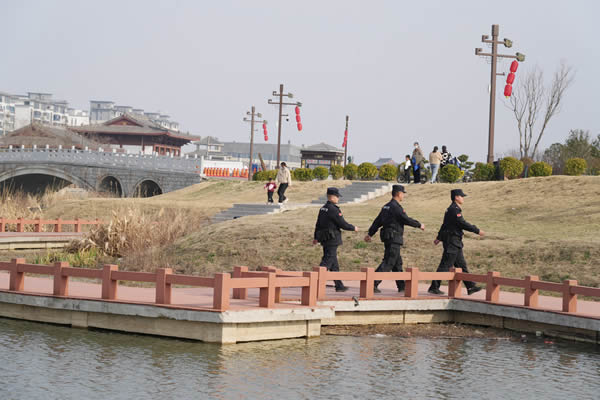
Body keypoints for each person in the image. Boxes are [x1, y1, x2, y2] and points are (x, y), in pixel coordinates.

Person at [365, 185, 425, 293]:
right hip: (394, 238)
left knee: (397, 263)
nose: (403, 196)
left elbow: (377, 221)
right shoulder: (396, 207)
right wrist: (419, 225)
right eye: (403, 194)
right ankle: (372, 283)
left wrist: (370, 233)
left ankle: (402, 286)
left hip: (388, 237)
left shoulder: (386, 206)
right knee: (389, 261)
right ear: (399, 193)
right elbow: (406, 219)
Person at [428, 189, 484, 296]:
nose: (463, 198)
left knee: (462, 266)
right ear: (456, 197)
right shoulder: (454, 210)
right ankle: (434, 287)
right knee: (445, 265)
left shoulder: (452, 209)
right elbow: (462, 223)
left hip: (455, 242)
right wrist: (477, 230)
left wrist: (439, 237)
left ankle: (470, 286)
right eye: (461, 196)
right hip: (452, 242)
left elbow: (445, 224)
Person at [313, 187, 359, 292]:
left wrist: (316, 237)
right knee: (327, 261)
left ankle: (339, 285)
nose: (338, 198)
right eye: (337, 196)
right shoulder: (333, 209)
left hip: (324, 238)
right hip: (332, 238)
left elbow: (318, 224)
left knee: (334, 263)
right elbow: (342, 223)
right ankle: (314, 282)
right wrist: (353, 228)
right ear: (332, 197)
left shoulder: (323, 208)